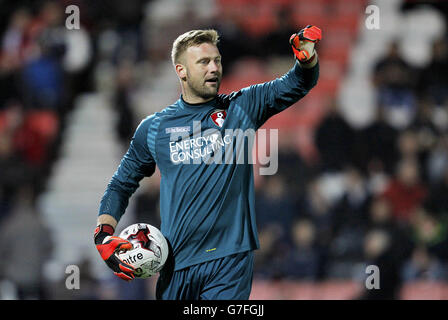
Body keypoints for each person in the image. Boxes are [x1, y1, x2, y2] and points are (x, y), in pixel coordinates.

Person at [93, 26, 321, 300]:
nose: (214, 68)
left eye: (217, 60)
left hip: (230, 259)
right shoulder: (153, 128)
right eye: (203, 62)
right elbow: (121, 184)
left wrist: (306, 60)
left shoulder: (242, 107)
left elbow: (297, 83)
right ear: (181, 71)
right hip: (175, 261)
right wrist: (103, 235)